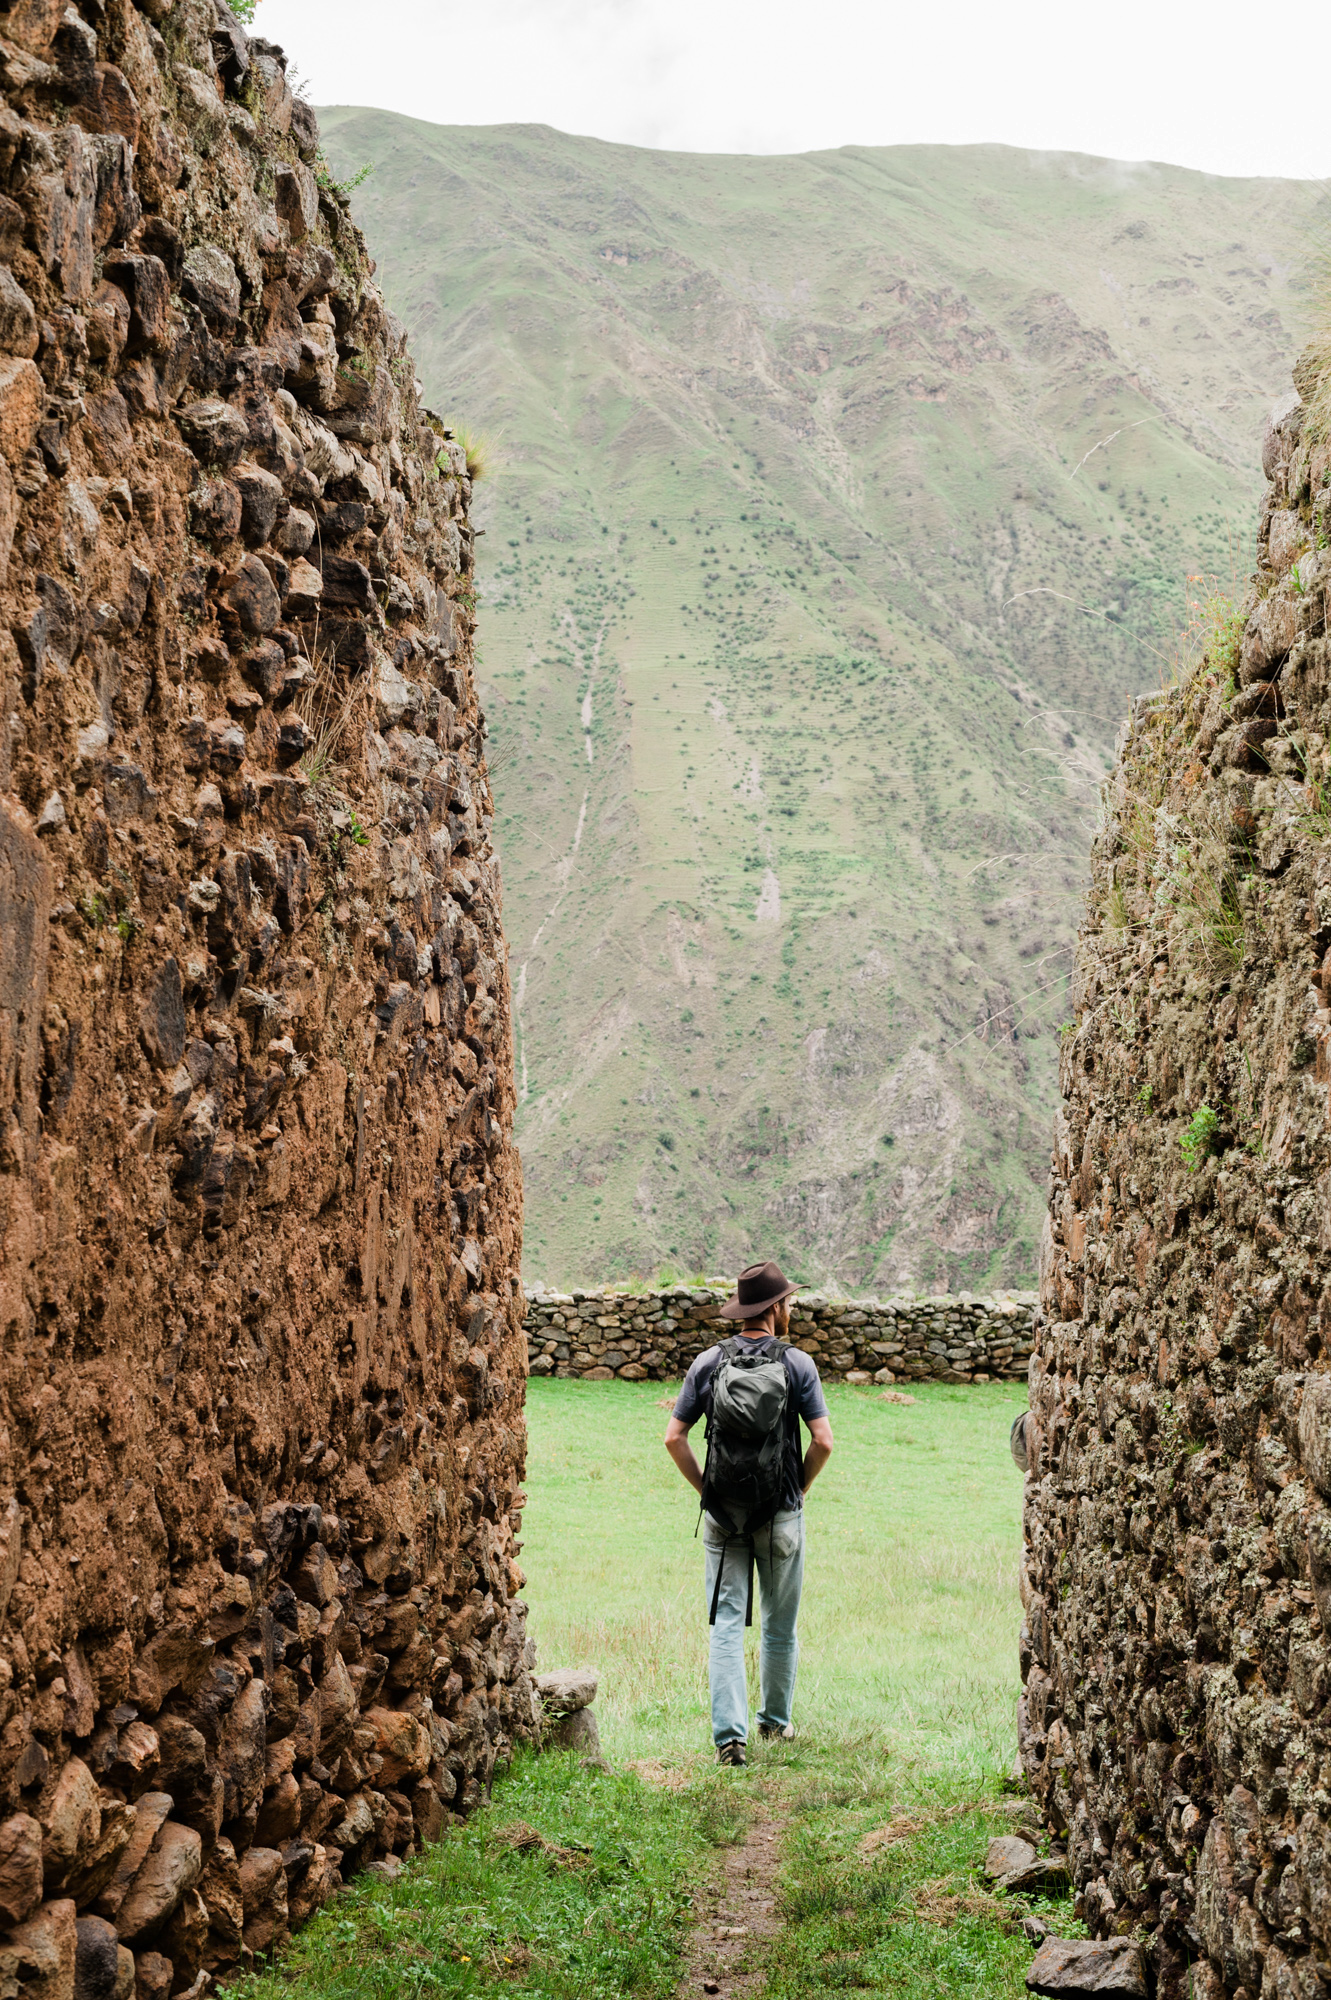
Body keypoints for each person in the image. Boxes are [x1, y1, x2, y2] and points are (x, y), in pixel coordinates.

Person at [664, 1259, 833, 1766]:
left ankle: (729, 1741)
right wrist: (796, 1489)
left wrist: (706, 1489)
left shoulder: (708, 1363)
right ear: (776, 1307)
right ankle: (774, 1725)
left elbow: (673, 1437)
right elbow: (823, 1442)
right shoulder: (798, 1363)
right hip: (780, 1514)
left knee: (726, 1625)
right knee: (780, 1626)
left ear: (743, 1311)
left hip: (722, 1514)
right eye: (789, 1302)